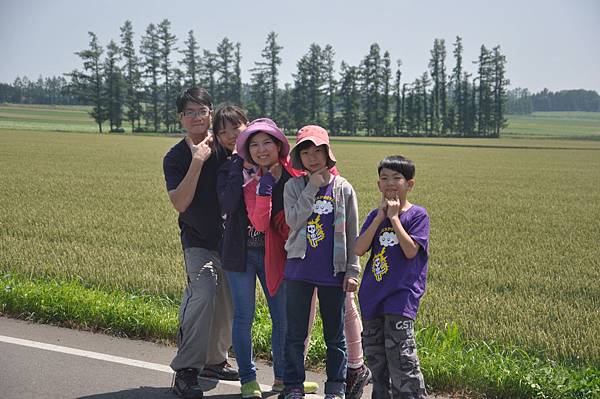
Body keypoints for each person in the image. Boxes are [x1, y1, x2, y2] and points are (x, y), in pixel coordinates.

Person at [162, 88, 238, 399]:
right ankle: (186, 370)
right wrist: (197, 162)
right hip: (196, 240)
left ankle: (214, 361)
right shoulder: (176, 157)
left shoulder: (225, 146)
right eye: (189, 112)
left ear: (211, 113)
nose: (196, 117)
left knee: (228, 302)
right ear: (181, 118)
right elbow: (180, 203)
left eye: (202, 111)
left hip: (230, 240)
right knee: (203, 293)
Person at [282, 125, 361, 399]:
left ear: (328, 154)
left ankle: (336, 388)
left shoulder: (344, 189)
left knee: (334, 336)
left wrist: (352, 270)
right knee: (295, 334)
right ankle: (293, 385)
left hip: (333, 273)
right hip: (298, 271)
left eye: (318, 151)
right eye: (306, 152)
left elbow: (353, 233)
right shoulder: (293, 186)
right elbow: (293, 221)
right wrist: (311, 189)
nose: (312, 158)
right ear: (299, 158)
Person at [355, 155, 429, 399]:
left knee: (402, 360)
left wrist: (395, 218)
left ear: (409, 184)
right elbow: (358, 248)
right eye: (384, 178)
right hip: (372, 296)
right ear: (378, 185)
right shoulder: (374, 217)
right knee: (377, 361)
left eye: (397, 178)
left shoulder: (417, 216)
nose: (390, 183)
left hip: (400, 297)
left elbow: (410, 251)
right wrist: (380, 216)